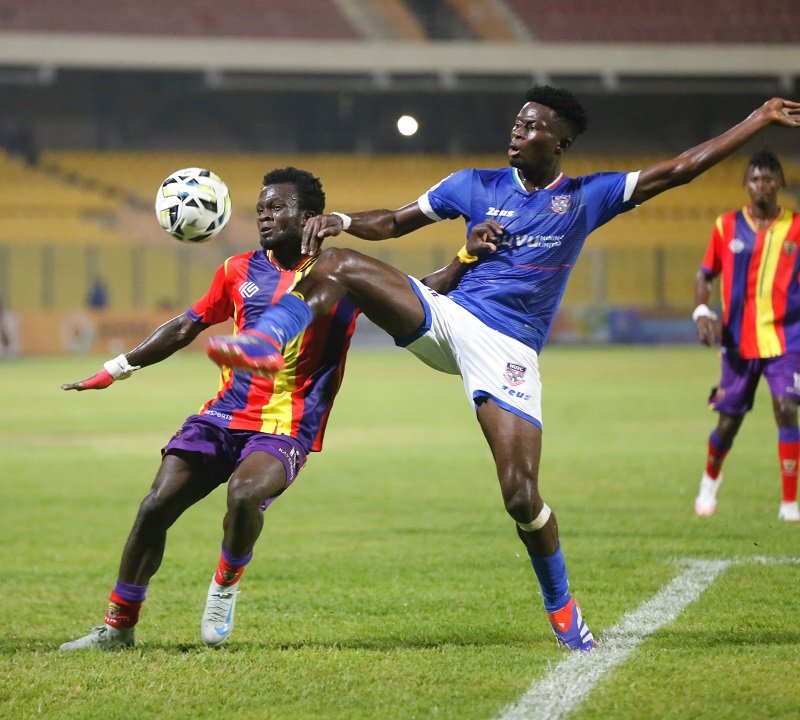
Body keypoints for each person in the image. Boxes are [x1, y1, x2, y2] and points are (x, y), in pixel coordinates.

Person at [206, 87, 800, 652]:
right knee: (336, 261)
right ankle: (266, 339)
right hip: (446, 316)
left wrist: (759, 119)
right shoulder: (473, 185)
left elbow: (681, 169)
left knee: (521, 496)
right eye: (516, 121)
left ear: (558, 141)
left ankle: (562, 606)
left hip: (508, 351)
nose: (517, 130)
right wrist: (343, 219)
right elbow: (395, 221)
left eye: (531, 124)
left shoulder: (586, 198)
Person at [59, 167, 363, 650]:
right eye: (261, 208)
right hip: (221, 416)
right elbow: (186, 325)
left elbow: (414, 294)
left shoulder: (342, 275)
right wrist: (116, 368)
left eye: (276, 207)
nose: (265, 216)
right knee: (155, 505)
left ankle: (224, 586)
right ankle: (118, 628)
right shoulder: (237, 269)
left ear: (309, 217)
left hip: (285, 426)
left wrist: (466, 258)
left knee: (244, 496)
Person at [693, 150, 800, 522]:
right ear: (746, 184)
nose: (762, 186)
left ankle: (789, 504)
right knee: (728, 424)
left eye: (769, 179)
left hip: (787, 341)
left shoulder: (797, 227)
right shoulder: (726, 226)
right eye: (755, 178)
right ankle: (711, 477)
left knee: (787, 408)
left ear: (780, 184)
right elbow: (705, 275)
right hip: (738, 344)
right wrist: (702, 310)